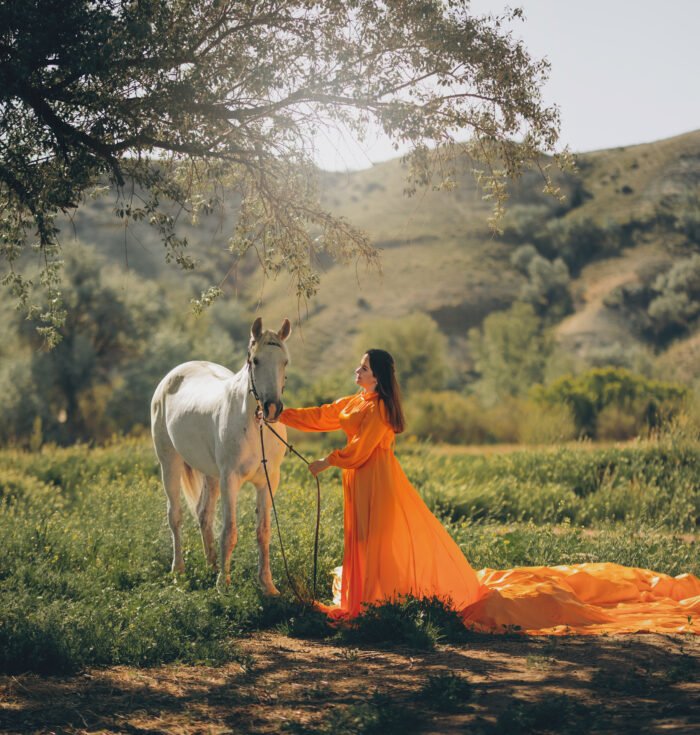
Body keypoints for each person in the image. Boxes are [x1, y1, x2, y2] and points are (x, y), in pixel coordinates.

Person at [277, 350, 700, 634]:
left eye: (365, 368)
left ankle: (374, 605)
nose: (358, 371)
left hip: (379, 483)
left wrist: (328, 461)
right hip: (360, 482)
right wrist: (282, 414)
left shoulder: (381, 408)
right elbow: (322, 415)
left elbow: (361, 448)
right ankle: (367, 603)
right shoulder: (353, 401)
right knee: (364, 541)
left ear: (379, 376)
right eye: (359, 367)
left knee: (376, 542)